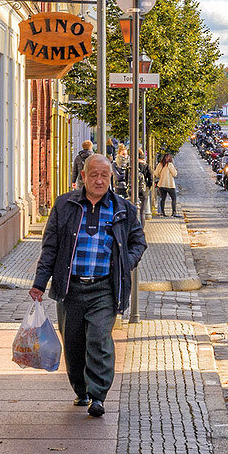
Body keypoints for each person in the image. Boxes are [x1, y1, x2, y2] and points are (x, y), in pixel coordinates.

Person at [29, 155, 147, 417]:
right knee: (73, 342)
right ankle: (80, 390)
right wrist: (40, 282)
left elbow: (139, 242)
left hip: (104, 288)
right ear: (83, 176)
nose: (99, 180)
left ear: (111, 178)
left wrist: (123, 263)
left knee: (99, 338)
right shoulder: (65, 205)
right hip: (70, 288)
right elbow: (50, 247)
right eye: (94, 174)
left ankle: (98, 396)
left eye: (104, 175)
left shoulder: (123, 209)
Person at [154, 153, 178, 217]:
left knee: (163, 199)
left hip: (161, 184)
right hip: (170, 185)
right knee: (174, 198)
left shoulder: (160, 164)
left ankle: (162, 212)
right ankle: (174, 212)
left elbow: (156, 173)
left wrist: (161, 176)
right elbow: (175, 174)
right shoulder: (170, 165)